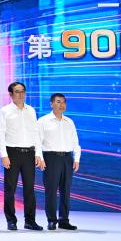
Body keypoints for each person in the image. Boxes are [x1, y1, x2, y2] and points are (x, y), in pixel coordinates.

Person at [0, 81, 44, 231]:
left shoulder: (31, 110)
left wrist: (38, 154)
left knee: (29, 189)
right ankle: (11, 220)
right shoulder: (5, 111)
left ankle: (30, 221)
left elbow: (36, 133)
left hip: (29, 153)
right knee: (10, 189)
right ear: (11, 94)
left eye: (23, 91)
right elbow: (0, 134)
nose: (21, 94)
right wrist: (4, 155)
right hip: (12, 153)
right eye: (17, 91)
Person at [39, 93, 81, 230]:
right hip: (51, 158)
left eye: (63, 102)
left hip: (67, 158)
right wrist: (39, 158)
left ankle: (64, 220)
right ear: (51, 104)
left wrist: (76, 158)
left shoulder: (69, 122)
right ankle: (52, 220)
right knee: (51, 190)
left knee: (66, 190)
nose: (61, 104)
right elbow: (37, 142)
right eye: (58, 102)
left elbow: (75, 142)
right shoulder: (43, 121)